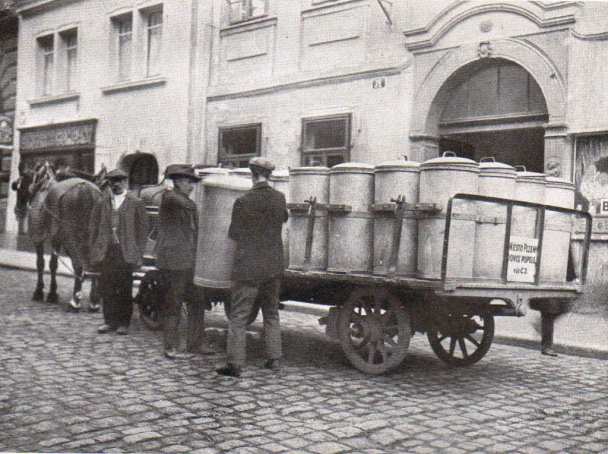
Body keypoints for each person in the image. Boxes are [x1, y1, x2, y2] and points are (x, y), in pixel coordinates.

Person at [217, 157, 288, 377]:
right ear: (269, 175)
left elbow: (234, 234)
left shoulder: (243, 201)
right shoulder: (280, 198)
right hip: (273, 266)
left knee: (238, 316)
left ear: (251, 174)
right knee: (271, 313)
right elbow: (283, 219)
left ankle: (235, 364)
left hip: (248, 267)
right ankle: (274, 359)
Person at [156, 164, 211, 359]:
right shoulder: (171, 199)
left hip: (189, 260)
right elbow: (185, 206)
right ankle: (170, 347)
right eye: (189, 182)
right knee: (174, 302)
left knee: (198, 301)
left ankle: (195, 344)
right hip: (175, 262)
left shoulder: (184, 200)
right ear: (178, 181)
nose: (192, 186)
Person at [89, 168, 148, 335]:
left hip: (126, 252)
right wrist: (94, 248)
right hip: (107, 251)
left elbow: (142, 231)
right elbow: (93, 227)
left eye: (119, 181)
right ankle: (109, 321)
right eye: (112, 182)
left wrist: (139, 253)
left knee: (124, 288)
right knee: (107, 287)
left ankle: (123, 323)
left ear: (125, 182)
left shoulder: (136, 203)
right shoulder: (103, 202)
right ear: (109, 184)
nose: (116, 184)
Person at [11, 161, 33, 235]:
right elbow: (14, 187)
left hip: (24, 201)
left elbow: (28, 190)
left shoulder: (28, 178)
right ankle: (22, 233)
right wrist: (17, 182)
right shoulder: (22, 178)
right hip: (22, 202)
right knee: (22, 218)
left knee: (23, 218)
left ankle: (23, 233)